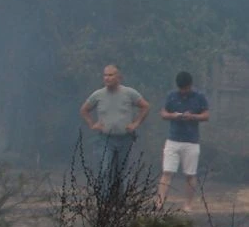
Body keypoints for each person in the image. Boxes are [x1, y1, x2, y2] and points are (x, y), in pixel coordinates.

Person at [79, 64, 149, 197]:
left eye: (110, 75)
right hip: (106, 139)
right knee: (105, 169)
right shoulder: (98, 94)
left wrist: (136, 123)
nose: (107, 78)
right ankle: (105, 202)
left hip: (125, 138)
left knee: (121, 171)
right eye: (105, 75)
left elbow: (145, 106)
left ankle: (120, 202)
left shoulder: (129, 93)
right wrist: (92, 124)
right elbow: (84, 110)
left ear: (119, 77)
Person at [156, 70, 209, 211]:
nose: (183, 91)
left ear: (190, 85)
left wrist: (194, 117)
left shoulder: (199, 97)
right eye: (181, 88)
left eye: (185, 88)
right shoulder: (172, 96)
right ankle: (159, 203)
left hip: (191, 141)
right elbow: (163, 113)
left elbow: (206, 115)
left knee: (190, 174)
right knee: (167, 171)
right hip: (173, 139)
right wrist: (173, 115)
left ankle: (188, 204)